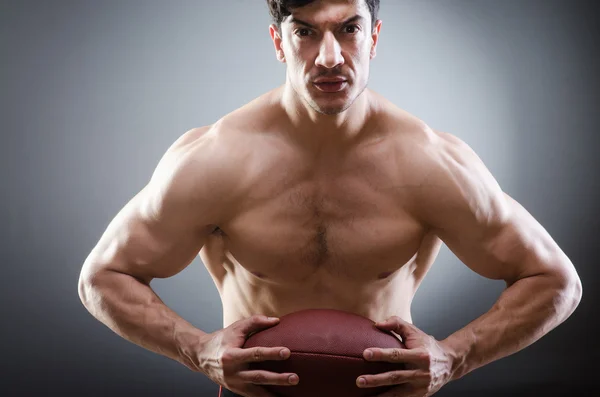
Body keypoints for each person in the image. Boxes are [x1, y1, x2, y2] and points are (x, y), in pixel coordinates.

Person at [78, 1, 582, 396]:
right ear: (278, 41)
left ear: (374, 37)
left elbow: (556, 282)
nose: (329, 57)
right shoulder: (217, 159)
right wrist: (196, 349)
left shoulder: (430, 162)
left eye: (348, 28)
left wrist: (455, 356)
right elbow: (103, 277)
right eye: (305, 31)